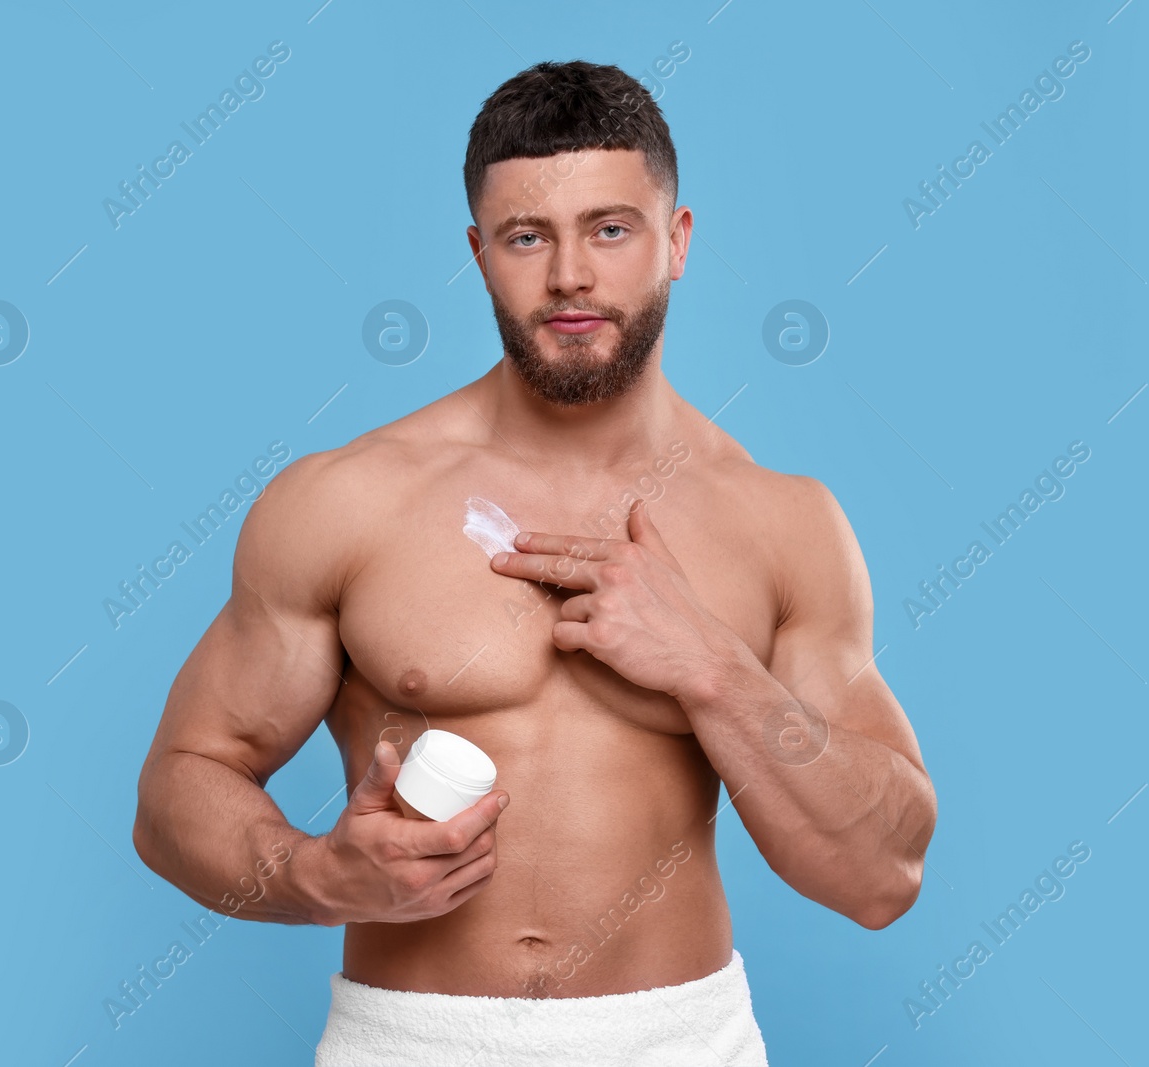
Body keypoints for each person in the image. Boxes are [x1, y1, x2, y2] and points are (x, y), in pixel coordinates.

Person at [132, 58, 937, 1067]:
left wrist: (711, 666)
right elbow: (178, 787)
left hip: (679, 1041)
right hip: (410, 1042)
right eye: (527, 236)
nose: (570, 275)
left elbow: (883, 872)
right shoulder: (346, 500)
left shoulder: (782, 523)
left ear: (675, 241)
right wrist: (315, 871)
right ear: (478, 253)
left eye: (610, 229)